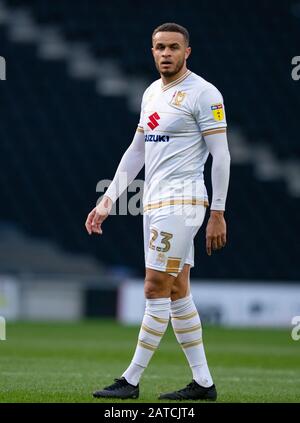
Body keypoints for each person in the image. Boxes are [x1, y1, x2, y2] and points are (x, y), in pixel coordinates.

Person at [85, 22, 230, 401]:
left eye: (173, 48)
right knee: (178, 290)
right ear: (152, 51)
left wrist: (218, 210)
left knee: (154, 286)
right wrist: (107, 201)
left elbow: (221, 155)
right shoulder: (151, 92)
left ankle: (130, 381)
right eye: (159, 47)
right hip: (154, 201)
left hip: (183, 203)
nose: (166, 53)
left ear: (187, 52)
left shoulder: (203, 93)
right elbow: (136, 152)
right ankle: (203, 383)